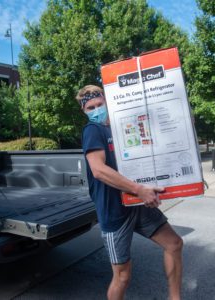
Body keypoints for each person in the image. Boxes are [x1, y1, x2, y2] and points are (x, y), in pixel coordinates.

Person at [76, 85, 183, 300]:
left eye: (99, 104)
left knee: (174, 243)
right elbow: (98, 170)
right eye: (91, 107)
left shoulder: (119, 127)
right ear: (84, 111)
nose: (97, 109)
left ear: (107, 101)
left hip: (136, 203)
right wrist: (139, 189)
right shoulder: (92, 130)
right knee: (123, 276)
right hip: (114, 211)